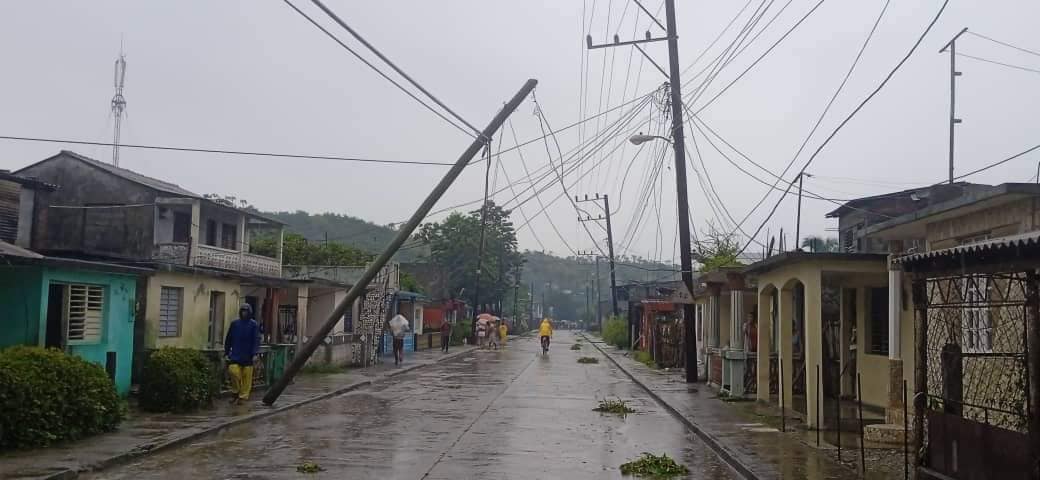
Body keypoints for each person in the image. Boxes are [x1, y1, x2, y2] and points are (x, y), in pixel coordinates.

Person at [225, 303, 261, 405]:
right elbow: (228, 339)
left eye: (246, 311)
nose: (244, 313)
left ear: (249, 312)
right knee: (233, 371)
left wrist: (254, 353)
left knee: (247, 376)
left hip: (248, 355)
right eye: (242, 311)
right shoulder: (235, 324)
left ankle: (243, 396)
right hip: (236, 354)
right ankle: (235, 392)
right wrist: (226, 351)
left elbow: (256, 340)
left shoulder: (254, 325)